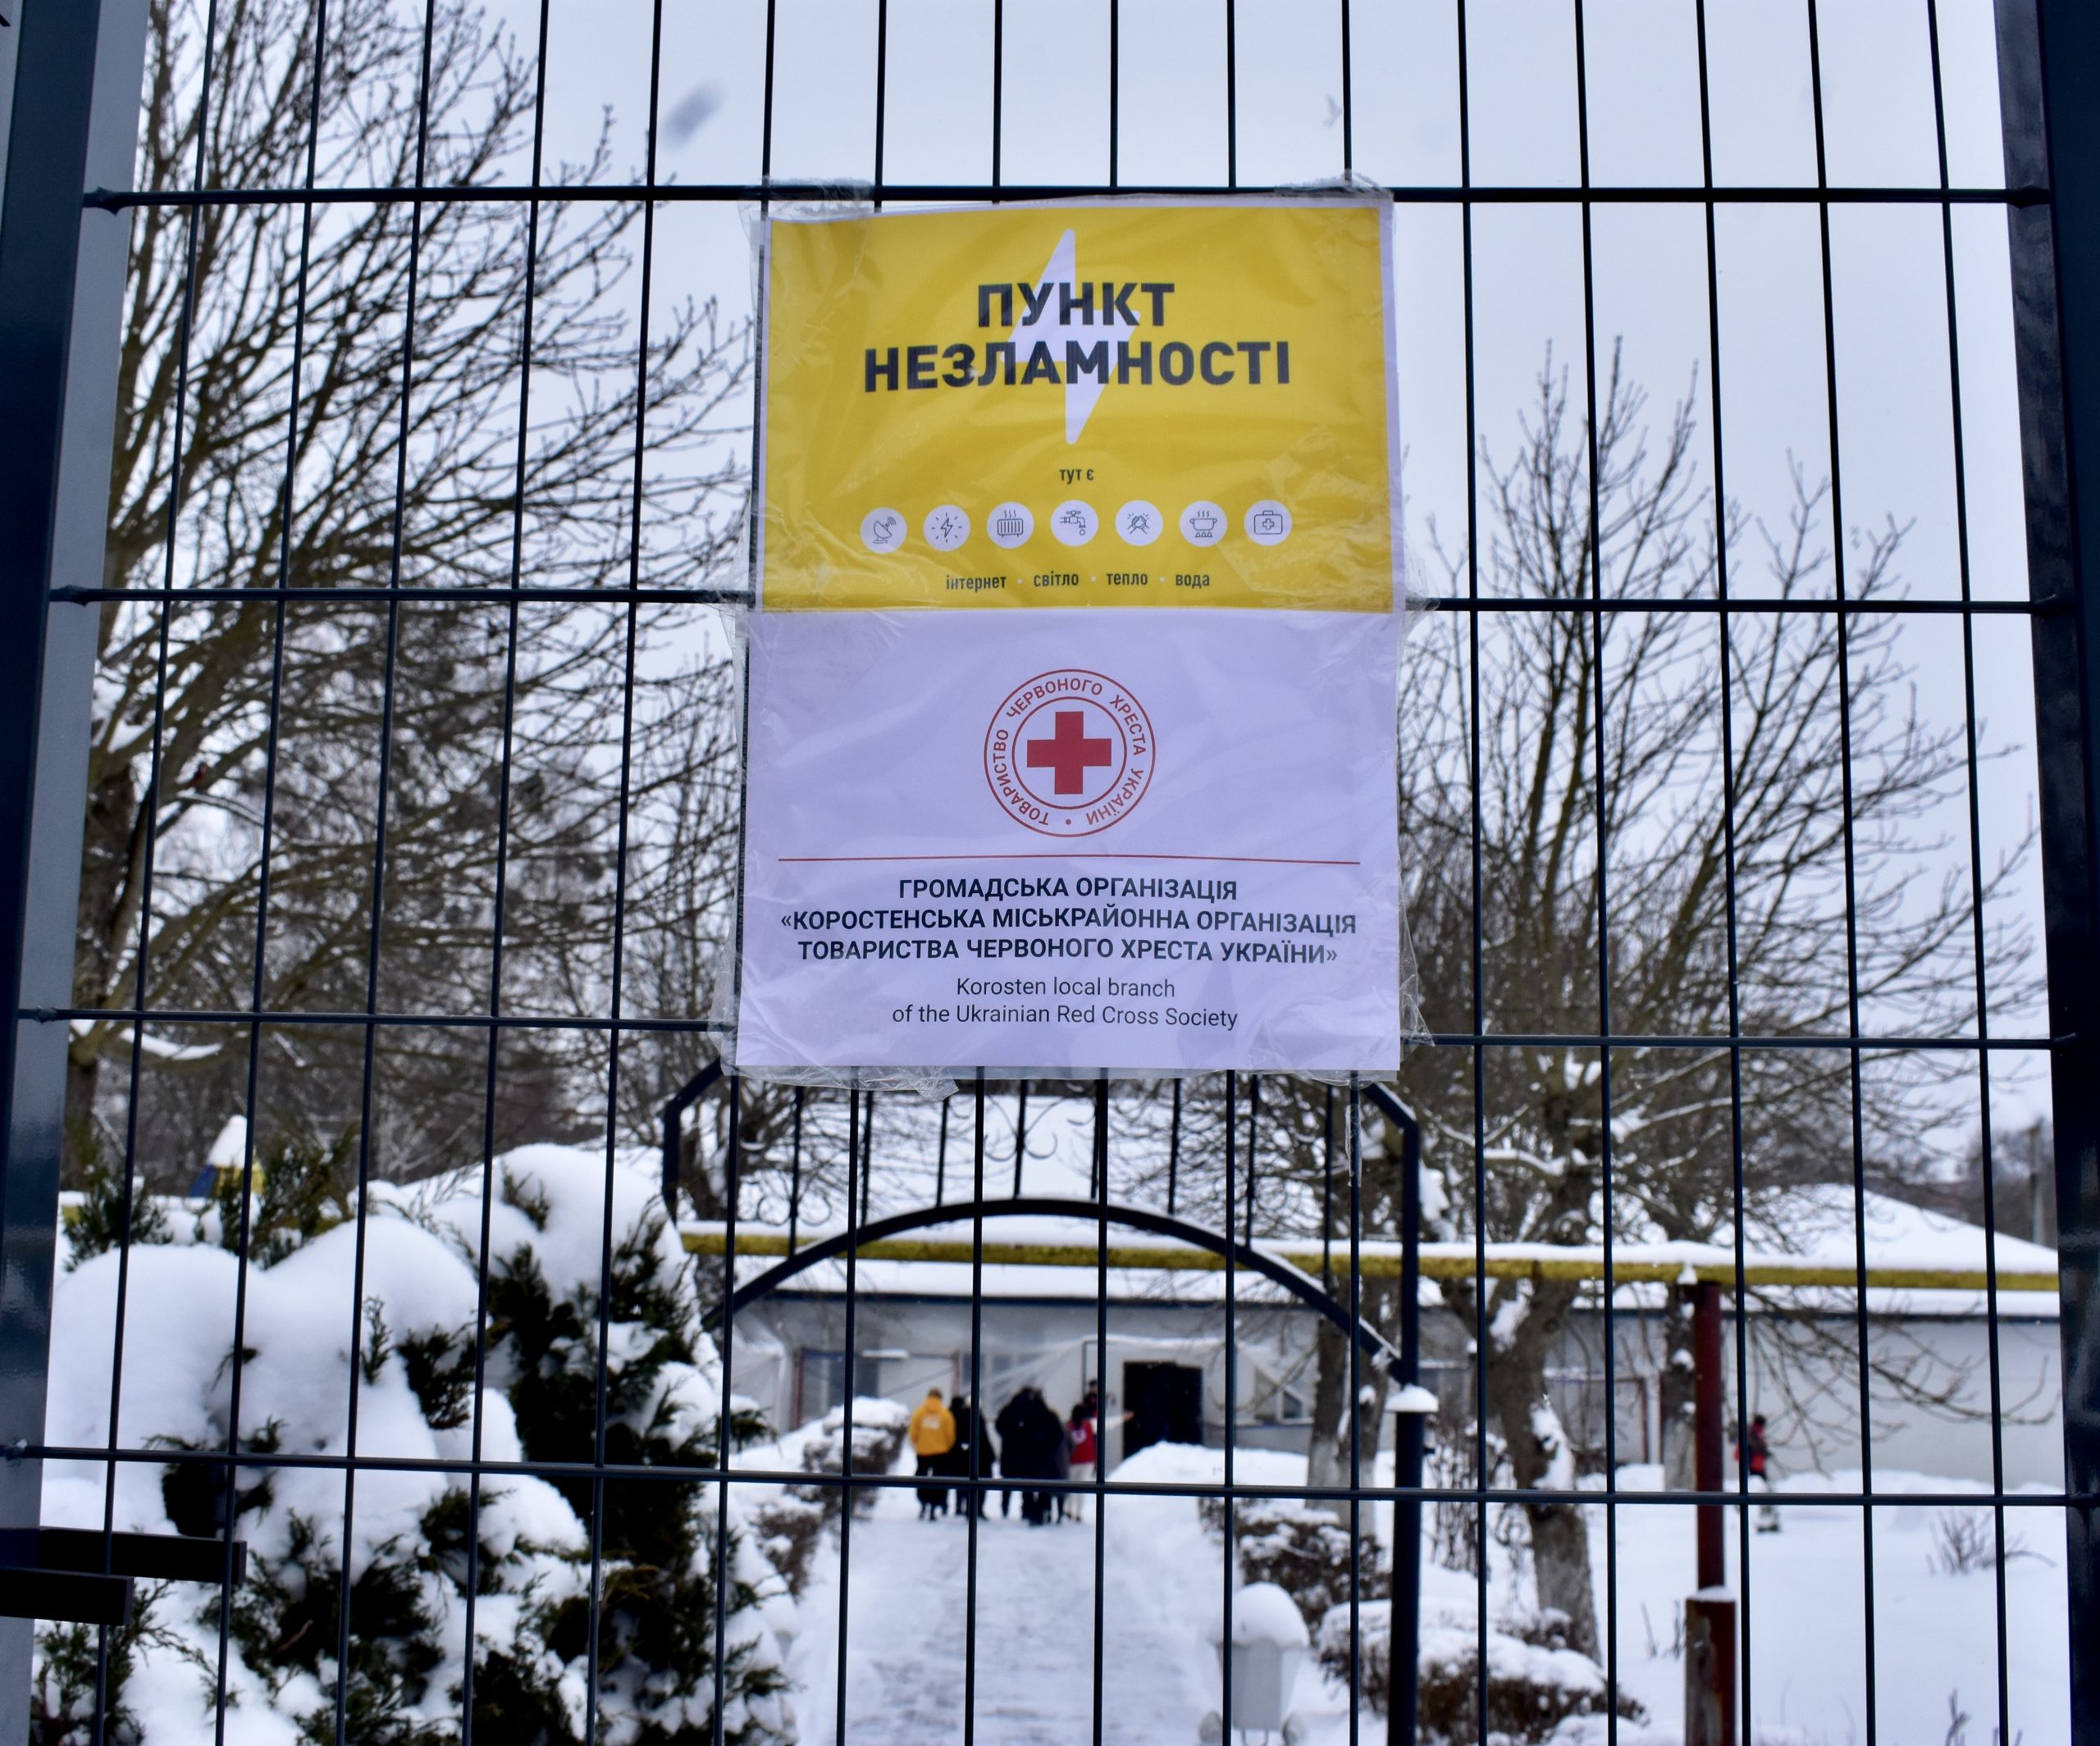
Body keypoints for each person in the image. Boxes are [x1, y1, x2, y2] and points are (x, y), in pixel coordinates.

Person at [941, 1393, 993, 1519]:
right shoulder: (975, 1417)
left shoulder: (960, 1416)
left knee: (965, 1483)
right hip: (978, 1457)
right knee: (979, 1484)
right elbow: (983, 1438)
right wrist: (990, 1455)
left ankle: (963, 1507)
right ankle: (975, 1509)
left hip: (965, 1456)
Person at [908, 1388, 956, 1520]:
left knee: (922, 1479)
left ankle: (923, 1503)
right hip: (941, 1453)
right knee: (938, 1480)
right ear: (940, 1398)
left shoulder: (919, 1413)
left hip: (923, 1452)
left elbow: (913, 1433)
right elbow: (950, 1436)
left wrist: (919, 1445)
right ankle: (934, 1507)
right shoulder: (945, 1414)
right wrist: (946, 1447)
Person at [1740, 1412, 1779, 1534]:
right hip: (1755, 1463)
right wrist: (1764, 1452)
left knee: (1759, 1483)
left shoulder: (1753, 1431)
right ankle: (1761, 1509)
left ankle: (1762, 1508)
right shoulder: (1754, 1432)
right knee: (1758, 1483)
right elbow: (1755, 1446)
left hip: (1756, 1462)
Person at [1063, 1397, 1098, 1523]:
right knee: (1082, 1487)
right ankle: (1079, 1512)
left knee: (1070, 1486)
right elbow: (1107, 1423)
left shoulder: (1067, 1426)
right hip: (1087, 1460)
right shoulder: (1089, 1425)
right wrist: (1122, 1418)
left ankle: (1069, 1509)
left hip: (1072, 1461)